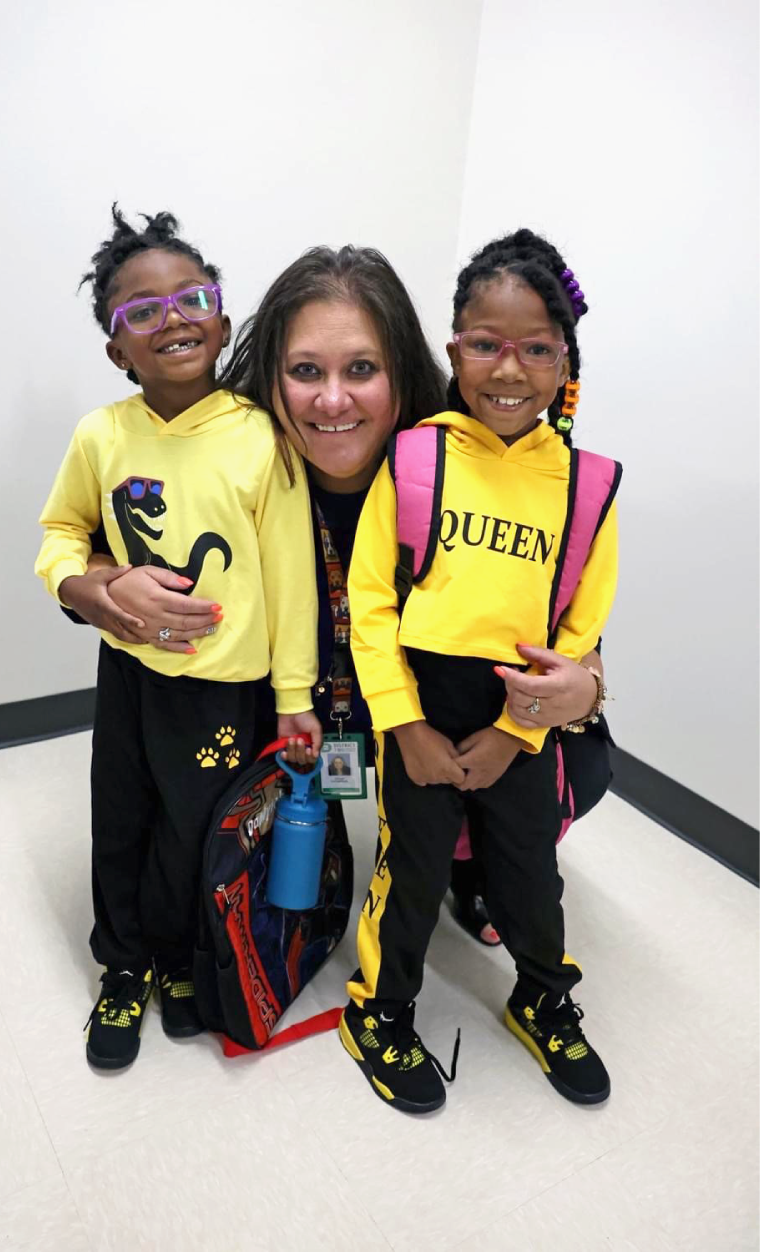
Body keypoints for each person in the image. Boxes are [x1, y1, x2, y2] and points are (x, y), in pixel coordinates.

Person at [84, 245, 612, 942]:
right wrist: (101, 586)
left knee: (571, 756)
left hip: (435, 703)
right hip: (282, 707)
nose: (332, 400)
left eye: (361, 369)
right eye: (306, 371)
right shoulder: (230, 454)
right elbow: (90, 539)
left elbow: (564, 616)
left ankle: (472, 855)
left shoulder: (460, 465)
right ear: (269, 377)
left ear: (403, 373)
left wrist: (586, 688)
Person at [341, 228, 620, 1114]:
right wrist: (405, 724)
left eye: (536, 348)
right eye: (486, 345)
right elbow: (371, 600)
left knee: (528, 876)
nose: (510, 369)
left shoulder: (588, 484)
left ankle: (542, 997)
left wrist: (517, 731)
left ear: (565, 360)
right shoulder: (415, 455)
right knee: (411, 870)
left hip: (520, 713)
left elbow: (580, 627)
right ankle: (379, 1014)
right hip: (419, 702)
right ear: (453, 346)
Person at [35, 207, 321, 1071]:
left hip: (227, 688)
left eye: (192, 298)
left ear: (224, 320)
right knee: (121, 820)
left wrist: (295, 699)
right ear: (117, 347)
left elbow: (292, 580)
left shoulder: (263, 440)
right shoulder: (102, 435)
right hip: (130, 676)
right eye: (140, 311)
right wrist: (90, 588)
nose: (173, 319)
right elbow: (59, 533)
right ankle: (123, 968)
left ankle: (180, 961)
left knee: (197, 832)